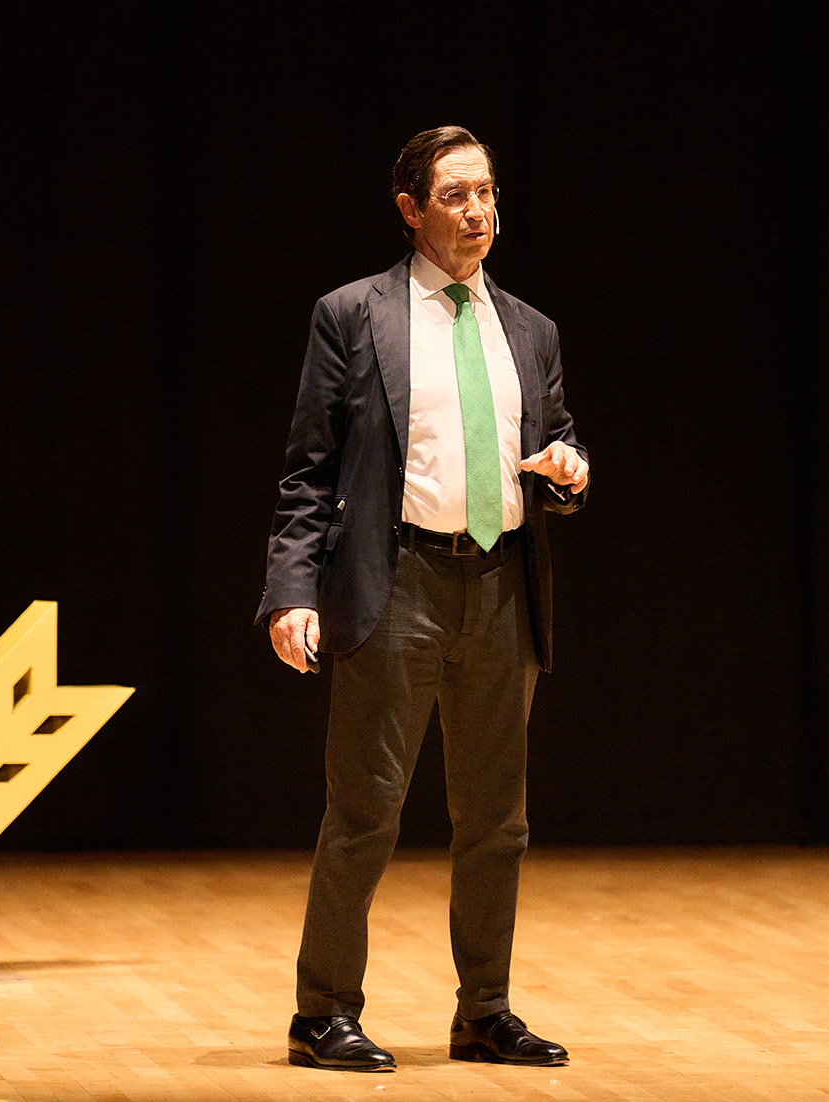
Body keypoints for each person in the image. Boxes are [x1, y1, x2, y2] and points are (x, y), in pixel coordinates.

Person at [256, 125, 589, 1073]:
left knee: (498, 821)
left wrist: (568, 469)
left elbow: (557, 445)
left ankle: (484, 1010)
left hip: (501, 584)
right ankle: (321, 1013)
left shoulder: (529, 327)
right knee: (364, 810)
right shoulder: (353, 316)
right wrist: (292, 593)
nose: (479, 212)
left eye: (488, 193)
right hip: (395, 582)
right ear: (410, 209)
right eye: (457, 196)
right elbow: (308, 473)